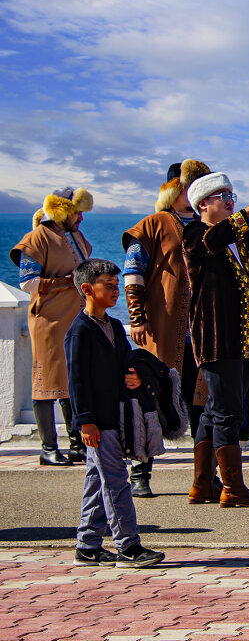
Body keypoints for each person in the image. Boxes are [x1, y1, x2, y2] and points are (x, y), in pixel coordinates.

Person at [182, 168, 249, 507]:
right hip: (217, 336)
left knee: (215, 410)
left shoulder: (239, 235)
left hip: (242, 339)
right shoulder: (195, 233)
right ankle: (232, 488)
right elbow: (214, 241)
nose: (231, 201)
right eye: (223, 197)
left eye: (232, 196)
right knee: (227, 410)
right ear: (203, 204)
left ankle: (203, 484)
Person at [66, 258, 165, 569]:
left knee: (98, 480)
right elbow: (77, 380)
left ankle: (88, 545)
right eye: (107, 286)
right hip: (97, 421)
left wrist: (135, 375)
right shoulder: (80, 331)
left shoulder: (113, 326)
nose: (115, 292)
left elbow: (125, 362)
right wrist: (85, 421)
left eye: (115, 286)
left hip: (115, 415)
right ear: (87, 289)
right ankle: (128, 546)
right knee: (116, 481)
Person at [122, 160, 210, 497]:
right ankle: (139, 473)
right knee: (149, 398)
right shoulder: (154, 224)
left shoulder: (207, 226)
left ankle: (204, 478)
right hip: (161, 328)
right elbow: (133, 270)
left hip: (202, 333)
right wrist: (136, 316)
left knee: (202, 403)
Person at [10, 187, 93, 466]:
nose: (81, 217)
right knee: (45, 383)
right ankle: (47, 448)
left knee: (72, 381)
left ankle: (77, 445)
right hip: (48, 320)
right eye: (77, 211)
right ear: (63, 210)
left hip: (75, 319)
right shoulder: (36, 238)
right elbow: (26, 281)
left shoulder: (75, 237)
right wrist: (64, 282)